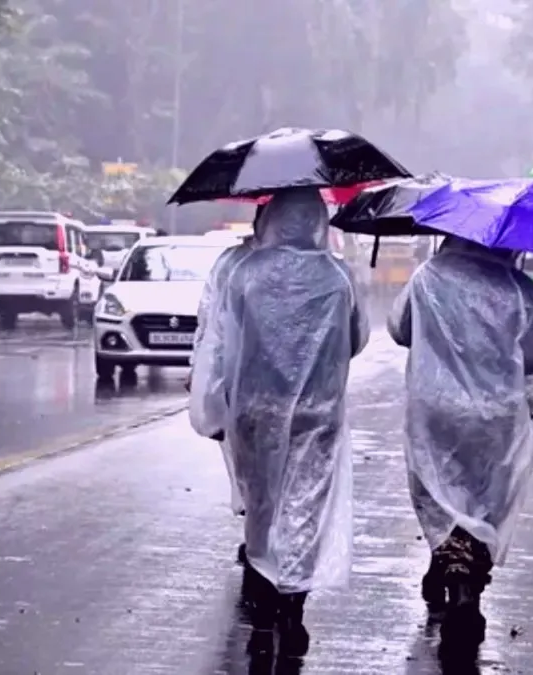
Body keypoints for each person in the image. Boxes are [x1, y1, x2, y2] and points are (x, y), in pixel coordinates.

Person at [202, 187, 367, 658]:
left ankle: (263, 598)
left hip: (256, 409)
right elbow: (356, 339)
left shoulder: (246, 273)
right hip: (317, 413)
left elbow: (224, 343)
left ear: (271, 219)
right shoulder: (337, 277)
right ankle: (293, 604)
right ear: (317, 221)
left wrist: (217, 402)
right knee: (305, 505)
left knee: (263, 505)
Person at [388, 236, 533, 655]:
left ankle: (448, 566)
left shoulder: (428, 277)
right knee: (482, 503)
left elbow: (400, 329)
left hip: (436, 407)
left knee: (440, 493)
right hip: (497, 415)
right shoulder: (521, 289)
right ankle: (466, 593)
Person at [188, 209, 261, 566]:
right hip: (301, 392)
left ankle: (257, 537)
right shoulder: (324, 268)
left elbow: (209, 322)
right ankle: (267, 543)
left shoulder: (234, 263)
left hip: (237, 383)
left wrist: (200, 369)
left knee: (245, 461)